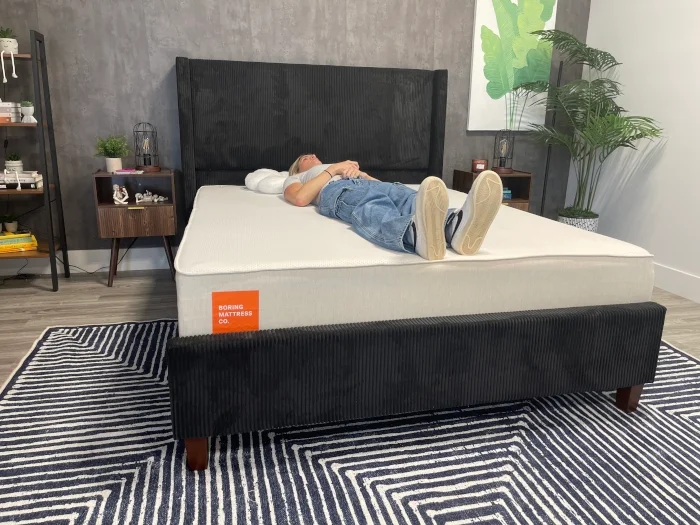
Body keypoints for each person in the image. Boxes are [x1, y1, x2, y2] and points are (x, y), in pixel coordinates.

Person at [283, 154, 503, 261]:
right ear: (297, 167)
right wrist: (334, 169)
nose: (312, 156)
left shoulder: (341, 167)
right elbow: (300, 198)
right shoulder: (296, 177)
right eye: (305, 157)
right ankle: (412, 233)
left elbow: (377, 186)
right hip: (339, 190)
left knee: (409, 197)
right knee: (371, 205)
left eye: (314, 155)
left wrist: (362, 174)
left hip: (366, 182)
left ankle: (453, 225)